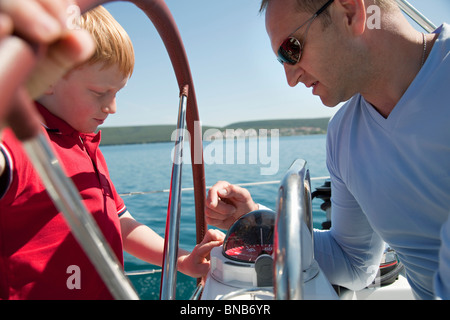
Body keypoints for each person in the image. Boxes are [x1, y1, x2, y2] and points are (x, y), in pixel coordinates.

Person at [205, 0, 450, 300]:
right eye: (280, 61)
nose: (290, 78)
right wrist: (259, 222)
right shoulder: (344, 136)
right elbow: (353, 262)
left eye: (291, 50)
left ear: (350, 12)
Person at [0, 5, 224, 300]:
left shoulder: (85, 147)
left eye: (117, 93)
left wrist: (180, 260)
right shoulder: (17, 143)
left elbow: (121, 222)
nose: (112, 107)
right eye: (99, 93)